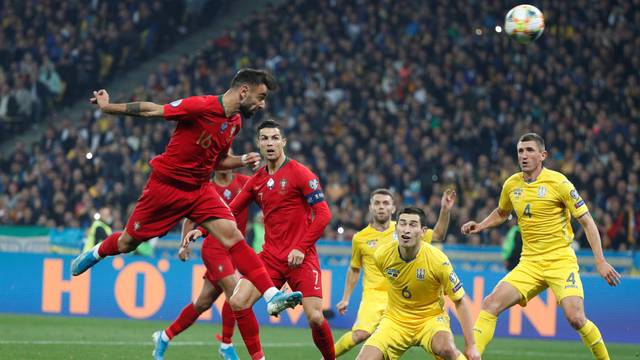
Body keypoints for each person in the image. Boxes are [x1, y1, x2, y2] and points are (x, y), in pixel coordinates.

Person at [70, 69, 302, 320]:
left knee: (233, 235)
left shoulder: (234, 123)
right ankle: (95, 253)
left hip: (201, 189)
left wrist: (241, 160)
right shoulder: (200, 106)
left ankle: (271, 295)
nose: (262, 104)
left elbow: (218, 161)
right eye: (260, 97)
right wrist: (108, 108)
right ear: (244, 91)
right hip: (166, 187)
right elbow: (153, 110)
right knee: (128, 242)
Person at [461, 133, 621, 359]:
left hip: (560, 261)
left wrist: (600, 261)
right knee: (489, 304)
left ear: (542, 155)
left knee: (576, 318)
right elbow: (502, 212)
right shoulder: (512, 184)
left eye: (529, 150)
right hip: (530, 263)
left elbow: (587, 222)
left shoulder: (559, 183)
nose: (524, 156)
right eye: (520, 151)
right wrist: (481, 225)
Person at [184, 120, 334, 360]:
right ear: (259, 144)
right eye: (264, 138)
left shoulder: (300, 173)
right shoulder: (257, 181)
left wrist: (301, 247)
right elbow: (229, 211)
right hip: (271, 258)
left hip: (301, 257)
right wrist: (202, 230)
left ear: (283, 142)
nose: (270, 143)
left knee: (315, 317)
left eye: (275, 138)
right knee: (238, 301)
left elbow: (324, 214)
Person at [334, 188, 456, 357]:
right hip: (374, 295)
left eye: (385, 203)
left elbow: (438, 234)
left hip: (402, 296)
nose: (381, 207)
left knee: (442, 350)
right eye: (377, 203)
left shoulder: (406, 229)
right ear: (370, 208)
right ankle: (326, 355)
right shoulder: (360, 238)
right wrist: (346, 298)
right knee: (360, 334)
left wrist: (444, 210)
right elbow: (355, 268)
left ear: (393, 208)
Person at [357, 207, 480, 360]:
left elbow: (460, 301)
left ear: (423, 232)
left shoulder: (438, 260)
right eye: (402, 224)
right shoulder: (382, 256)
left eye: (413, 224)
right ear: (396, 229)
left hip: (431, 319)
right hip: (395, 321)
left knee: (447, 349)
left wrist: (471, 345)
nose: (406, 230)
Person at [152, 169, 251, 360]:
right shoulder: (207, 189)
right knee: (235, 292)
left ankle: (163, 337)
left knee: (202, 303)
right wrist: (183, 246)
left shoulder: (244, 182)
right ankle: (226, 344)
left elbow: (263, 192)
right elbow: (189, 220)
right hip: (214, 248)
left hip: (234, 249)